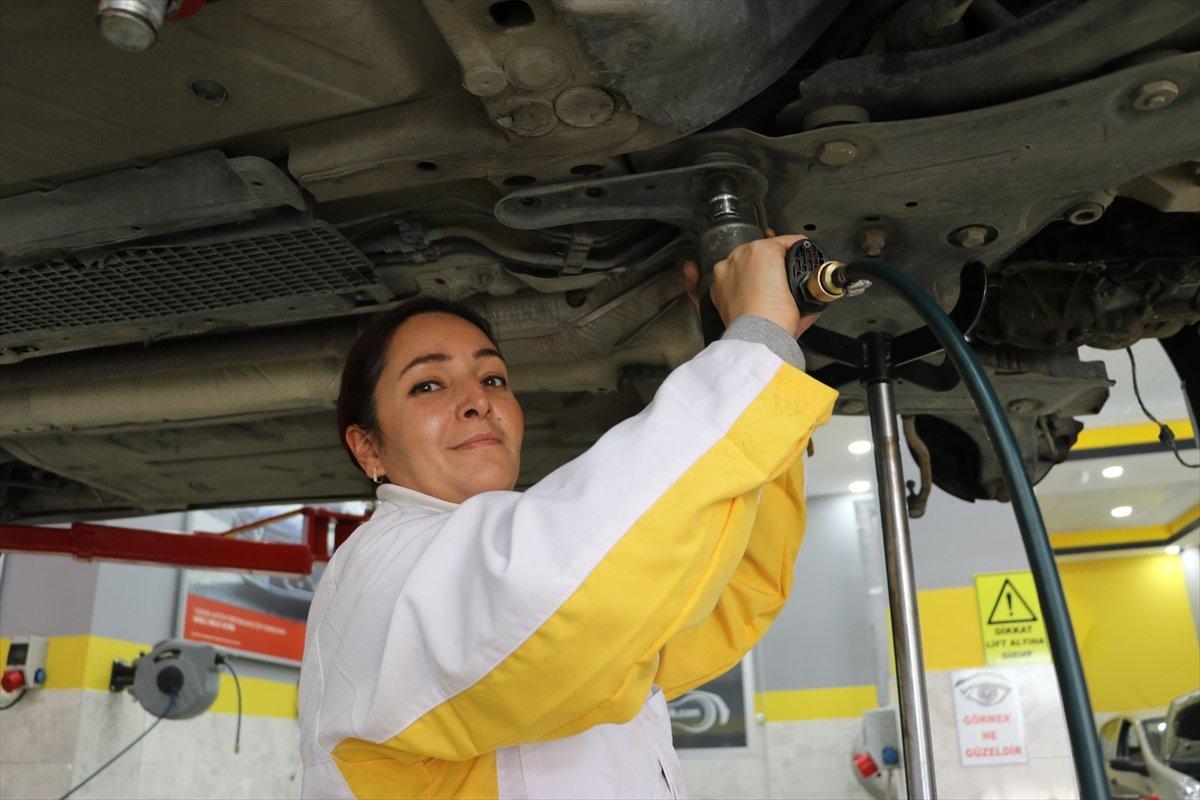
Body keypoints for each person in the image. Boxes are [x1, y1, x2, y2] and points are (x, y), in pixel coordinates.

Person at [299, 235, 838, 799]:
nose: (477, 401)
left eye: (493, 380)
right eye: (428, 384)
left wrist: (755, 358)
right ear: (368, 449)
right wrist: (755, 351)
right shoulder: (376, 574)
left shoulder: (499, 575)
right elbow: (565, 598)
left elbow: (724, 596)